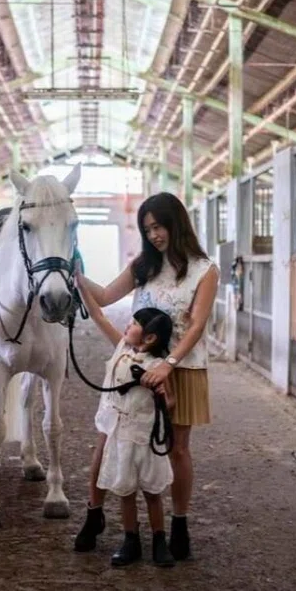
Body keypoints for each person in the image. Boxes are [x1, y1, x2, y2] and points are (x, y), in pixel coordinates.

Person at [74, 192, 220, 561]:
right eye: (147, 229)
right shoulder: (144, 264)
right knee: (109, 439)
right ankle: (98, 515)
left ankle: (179, 524)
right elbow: (105, 297)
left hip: (182, 369)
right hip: (136, 368)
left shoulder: (204, 270)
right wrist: (73, 274)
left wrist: (168, 362)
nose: (153, 235)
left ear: (176, 223)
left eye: (158, 226)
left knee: (177, 449)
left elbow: (197, 324)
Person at [79, 283, 176, 568]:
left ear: (149, 338)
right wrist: (80, 285)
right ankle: (130, 539)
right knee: (125, 492)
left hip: (144, 438)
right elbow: (99, 316)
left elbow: (171, 403)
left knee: (152, 493)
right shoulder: (121, 347)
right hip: (119, 436)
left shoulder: (157, 366)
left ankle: (160, 540)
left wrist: (160, 394)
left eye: (134, 323)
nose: (127, 324)